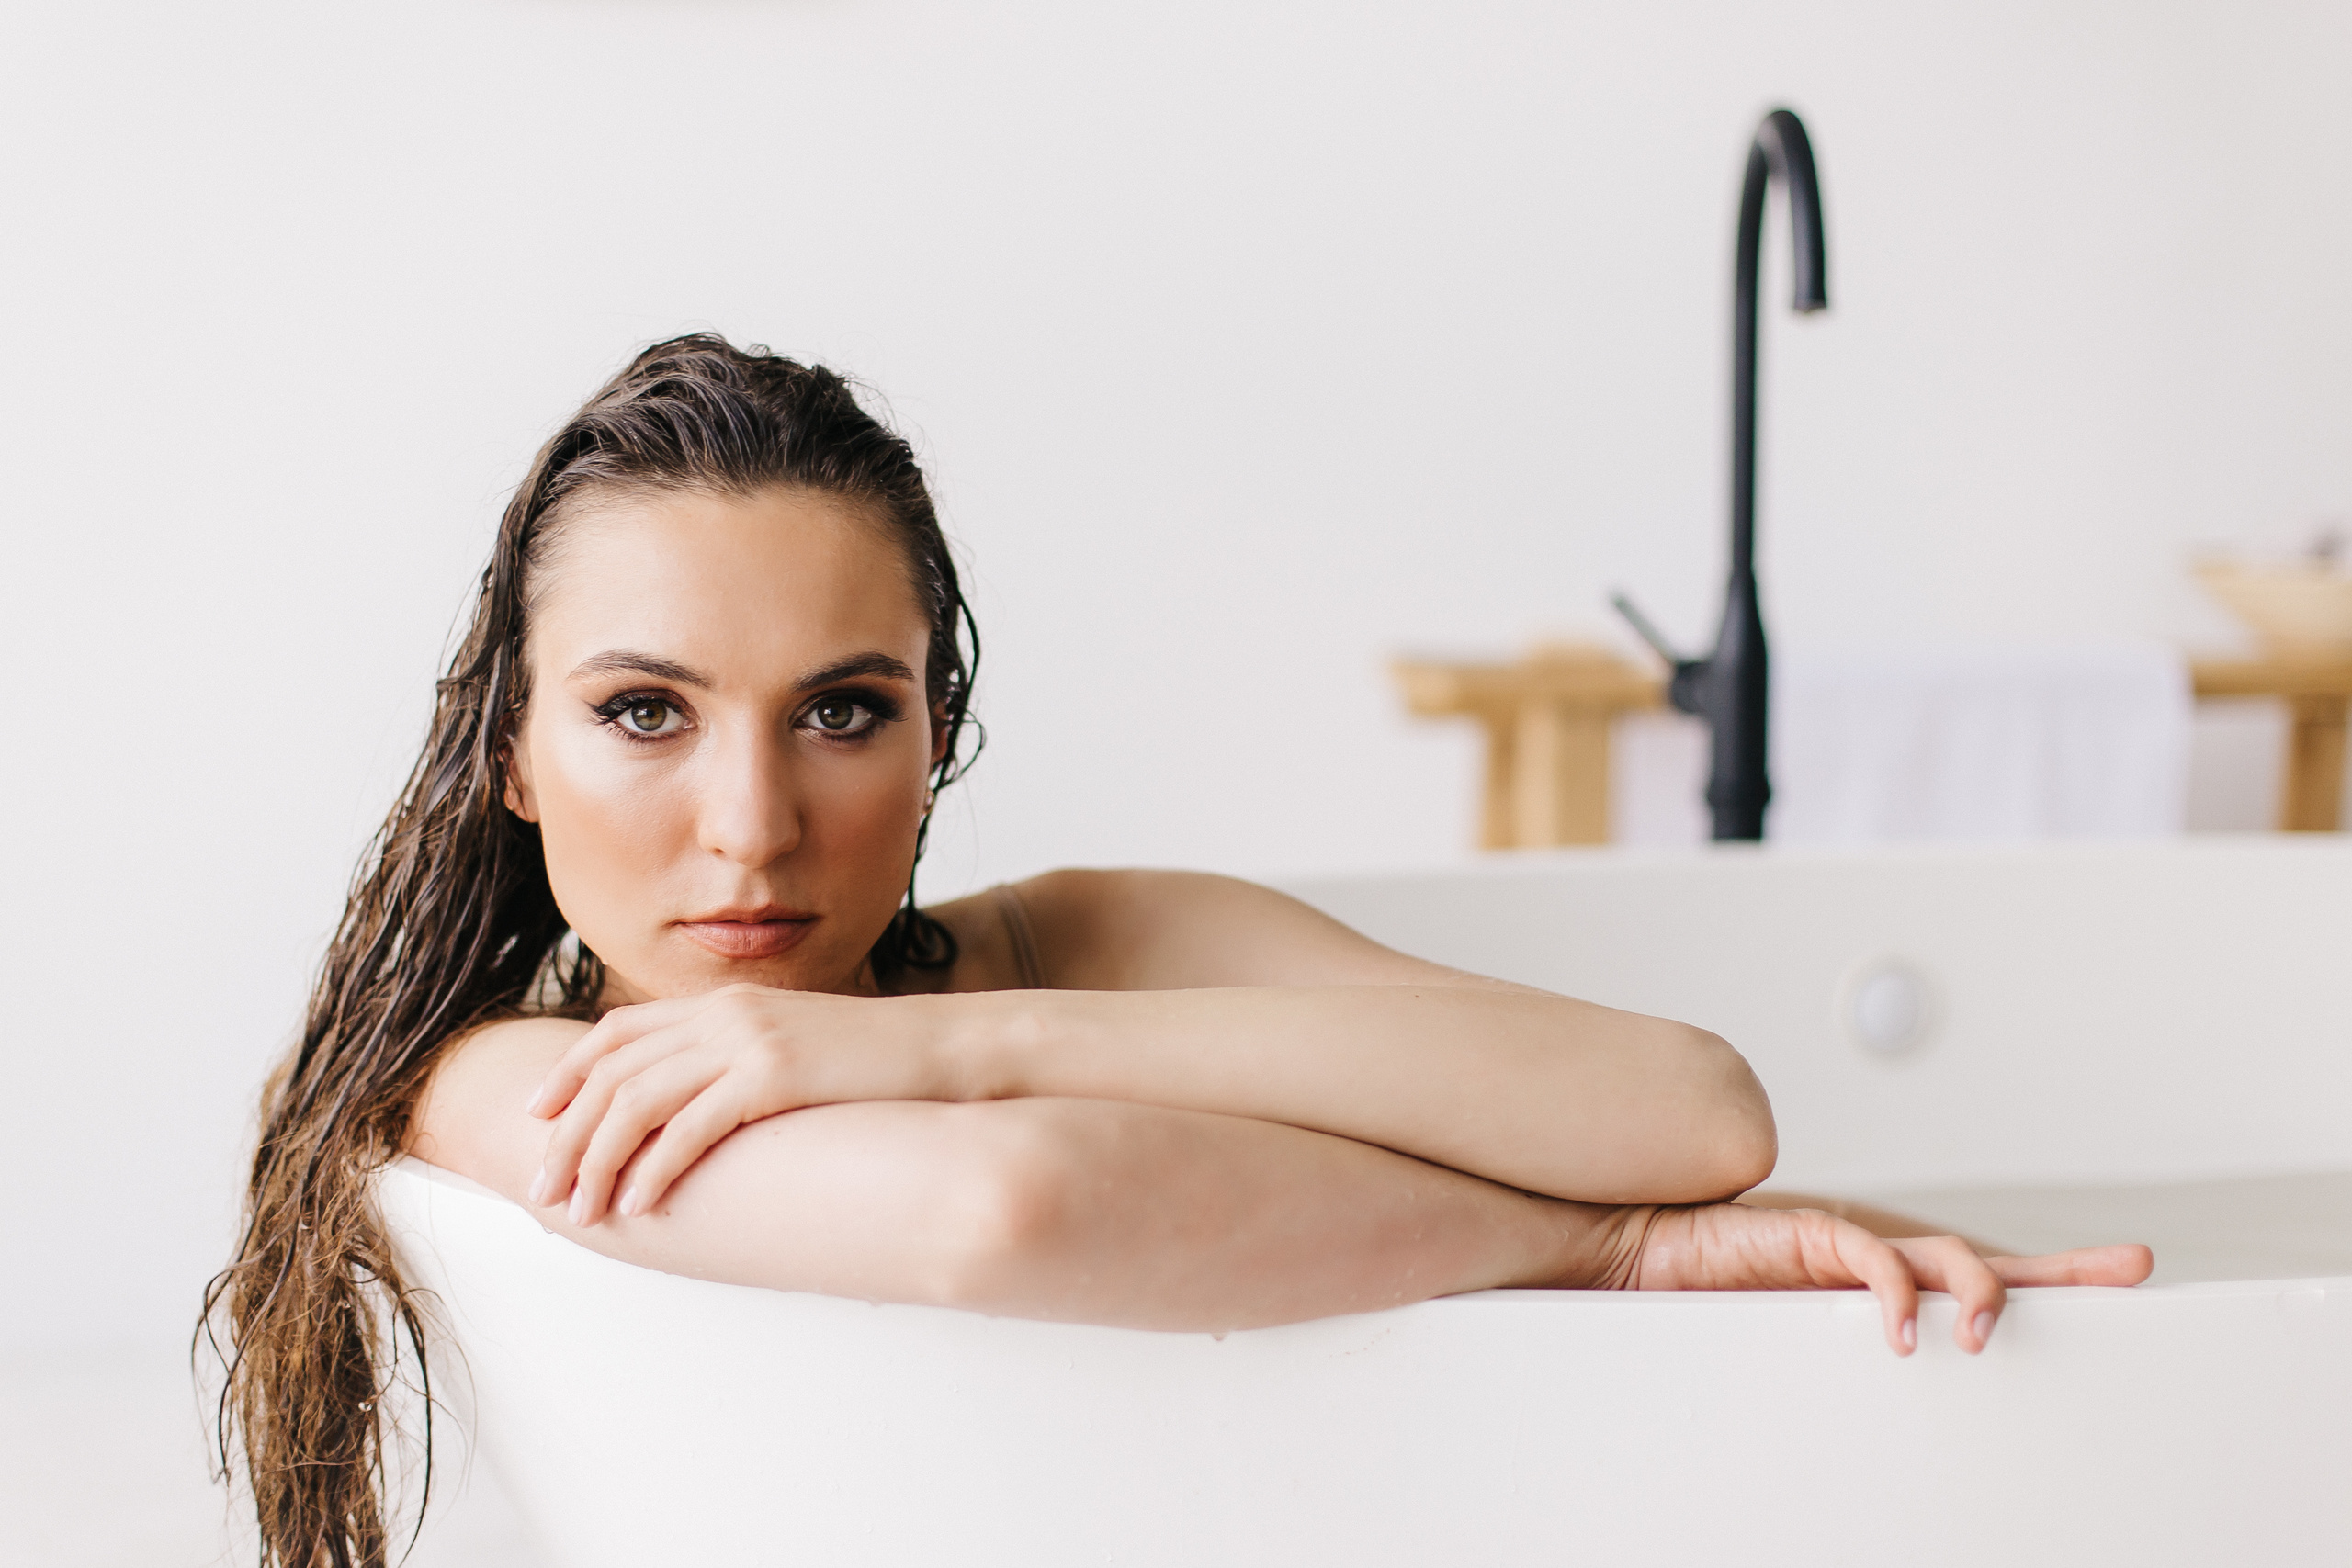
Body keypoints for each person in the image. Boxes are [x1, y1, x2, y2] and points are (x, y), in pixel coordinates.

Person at [207, 335, 2149, 1567]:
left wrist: (932, 1037)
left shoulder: (1092, 939)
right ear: (511, 754)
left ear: (938, 732)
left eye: (843, 711)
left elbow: (1693, 1108)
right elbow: (1010, 1204)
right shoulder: (496, 1082)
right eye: (644, 711)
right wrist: (1598, 1246)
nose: (752, 825)